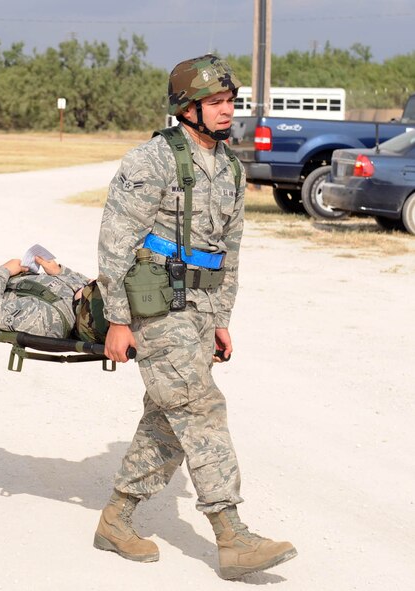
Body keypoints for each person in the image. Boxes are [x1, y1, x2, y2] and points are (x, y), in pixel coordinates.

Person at [93, 55, 297, 579]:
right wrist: (118, 319)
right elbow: (116, 243)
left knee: (168, 417)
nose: (228, 111)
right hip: (155, 305)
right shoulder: (150, 161)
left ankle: (116, 519)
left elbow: (230, 249)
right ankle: (232, 536)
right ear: (187, 109)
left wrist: (222, 316)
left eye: (230, 101)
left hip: (202, 309)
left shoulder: (230, 166)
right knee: (200, 407)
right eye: (216, 103)